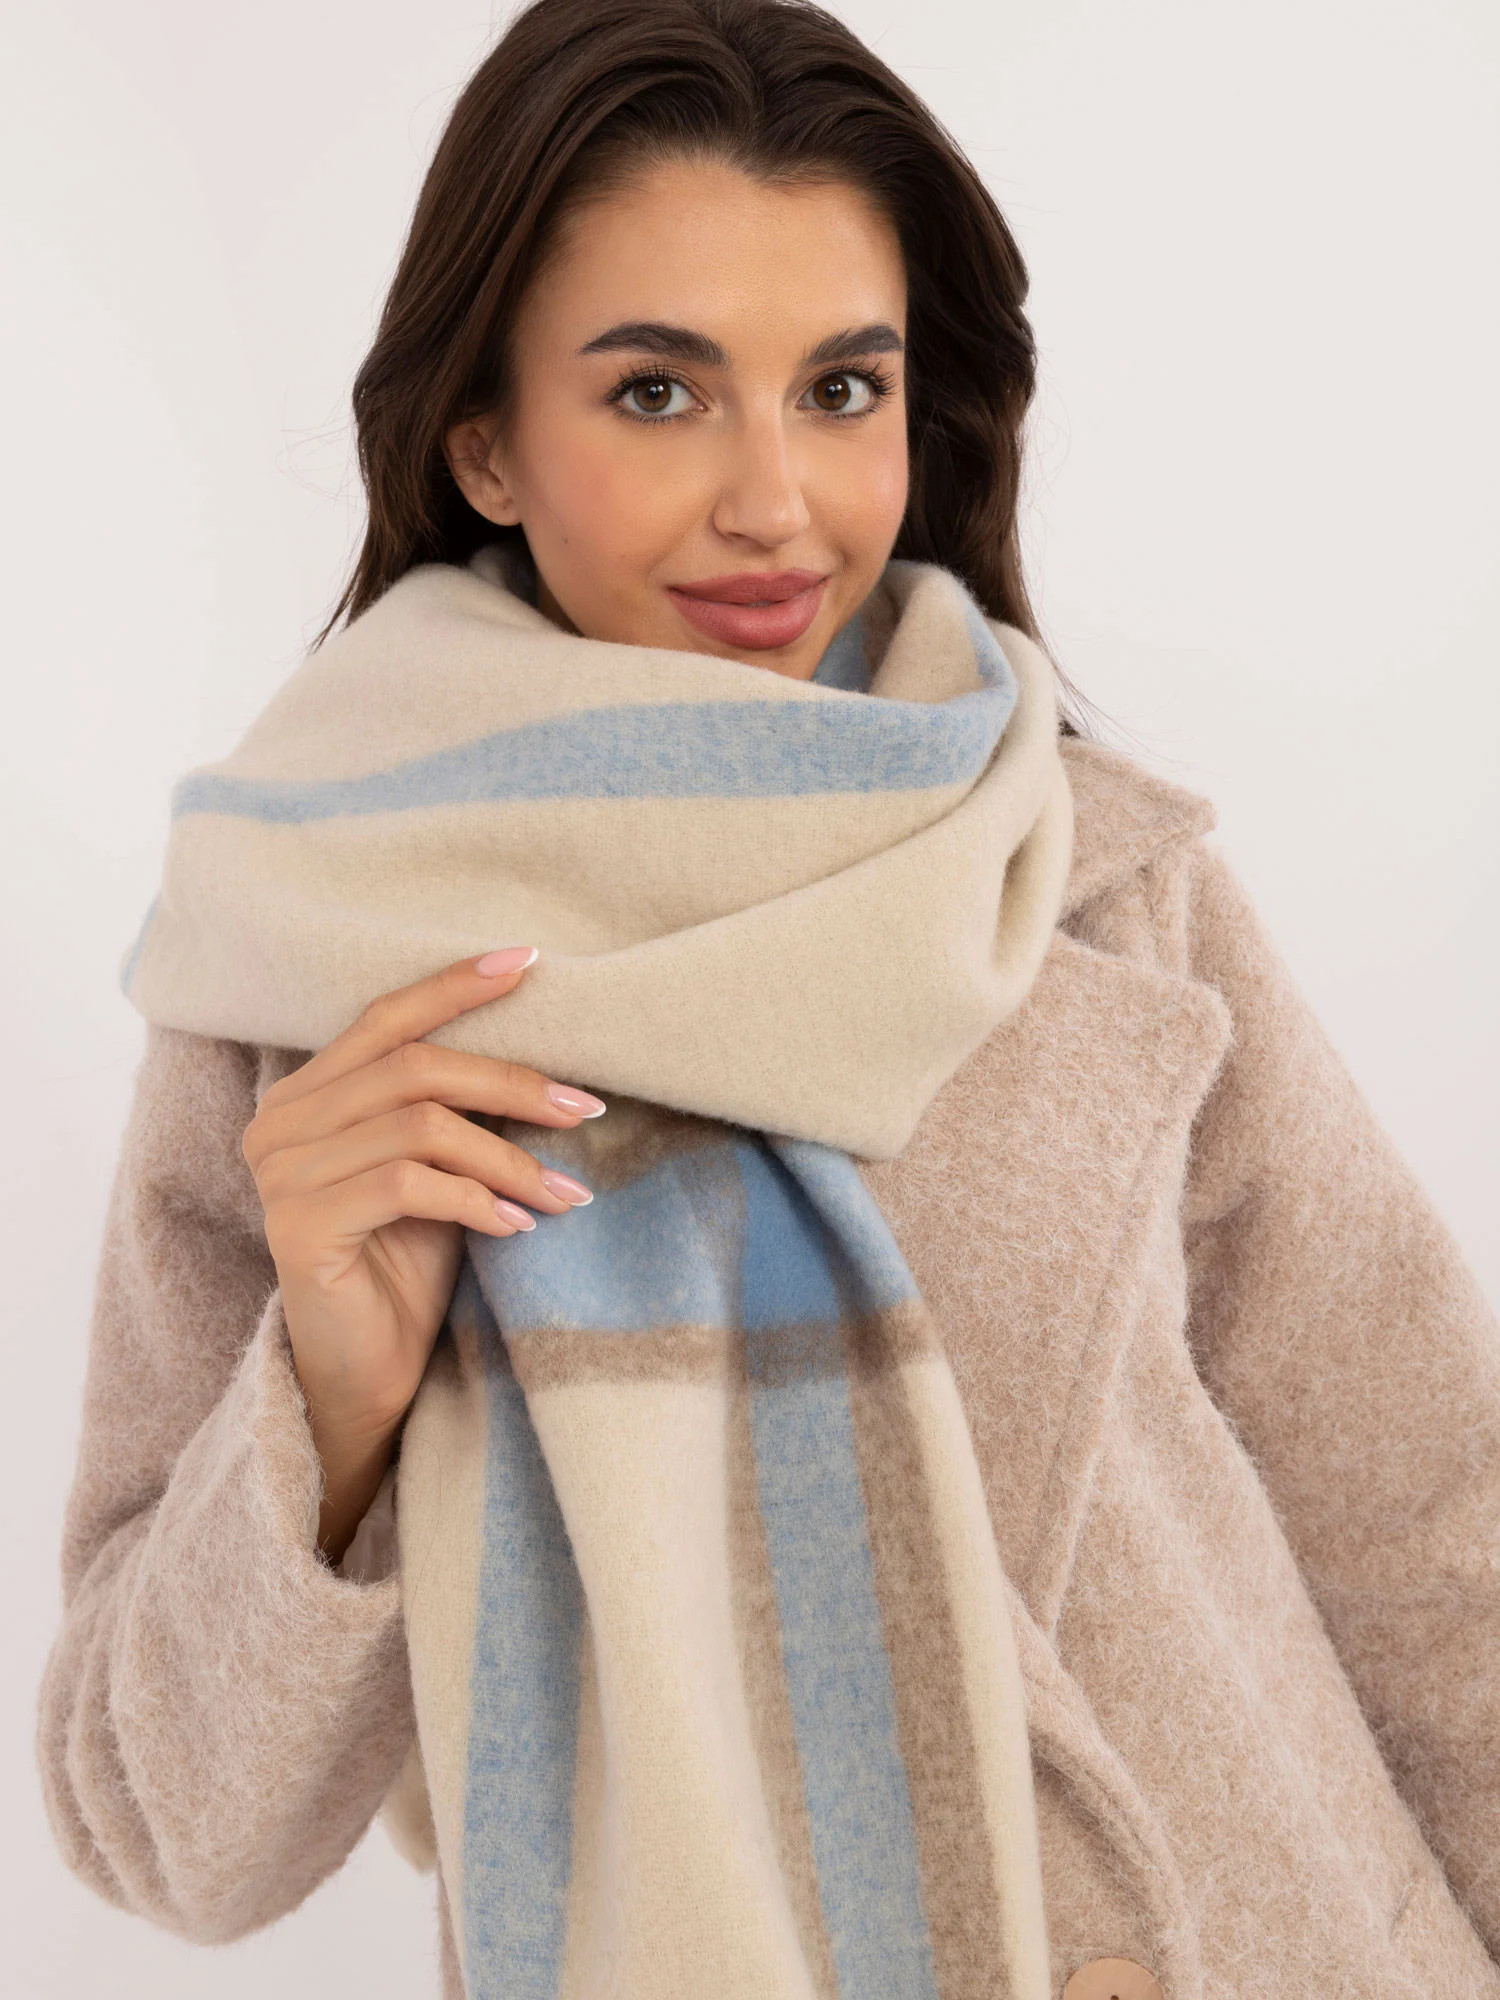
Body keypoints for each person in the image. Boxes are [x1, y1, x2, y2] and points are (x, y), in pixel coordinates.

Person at [35, 1, 1500, 1996]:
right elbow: (155, 1840)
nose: (775, 500)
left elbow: (1427, 1521)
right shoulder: (303, 959)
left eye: (840, 389)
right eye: (657, 393)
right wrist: (333, 1401)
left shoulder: (1079, 871)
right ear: (484, 440)